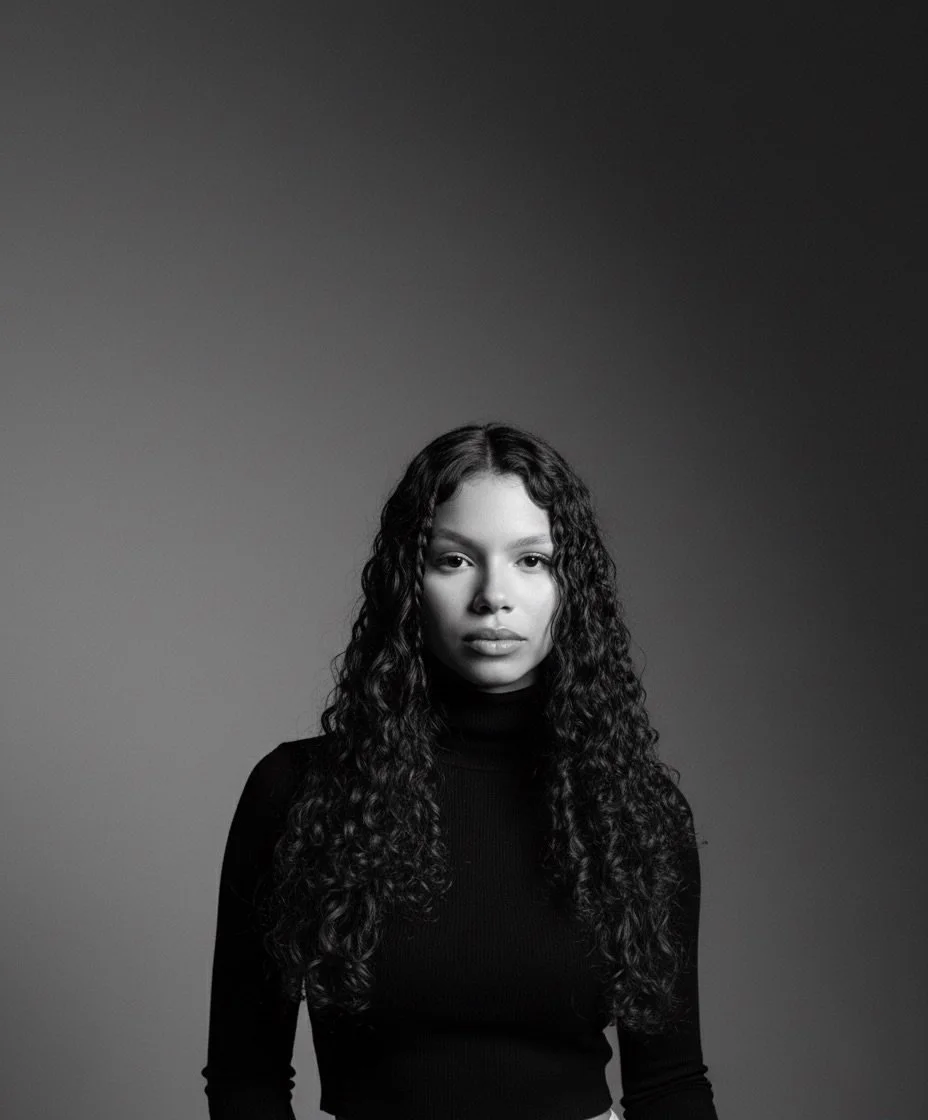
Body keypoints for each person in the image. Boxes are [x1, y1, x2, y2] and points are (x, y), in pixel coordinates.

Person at [201, 421, 719, 1119]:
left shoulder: (636, 811)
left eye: (532, 560)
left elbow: (670, 1086)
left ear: (573, 586)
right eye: (454, 559)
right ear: (407, 582)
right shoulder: (298, 794)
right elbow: (246, 1078)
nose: (493, 595)